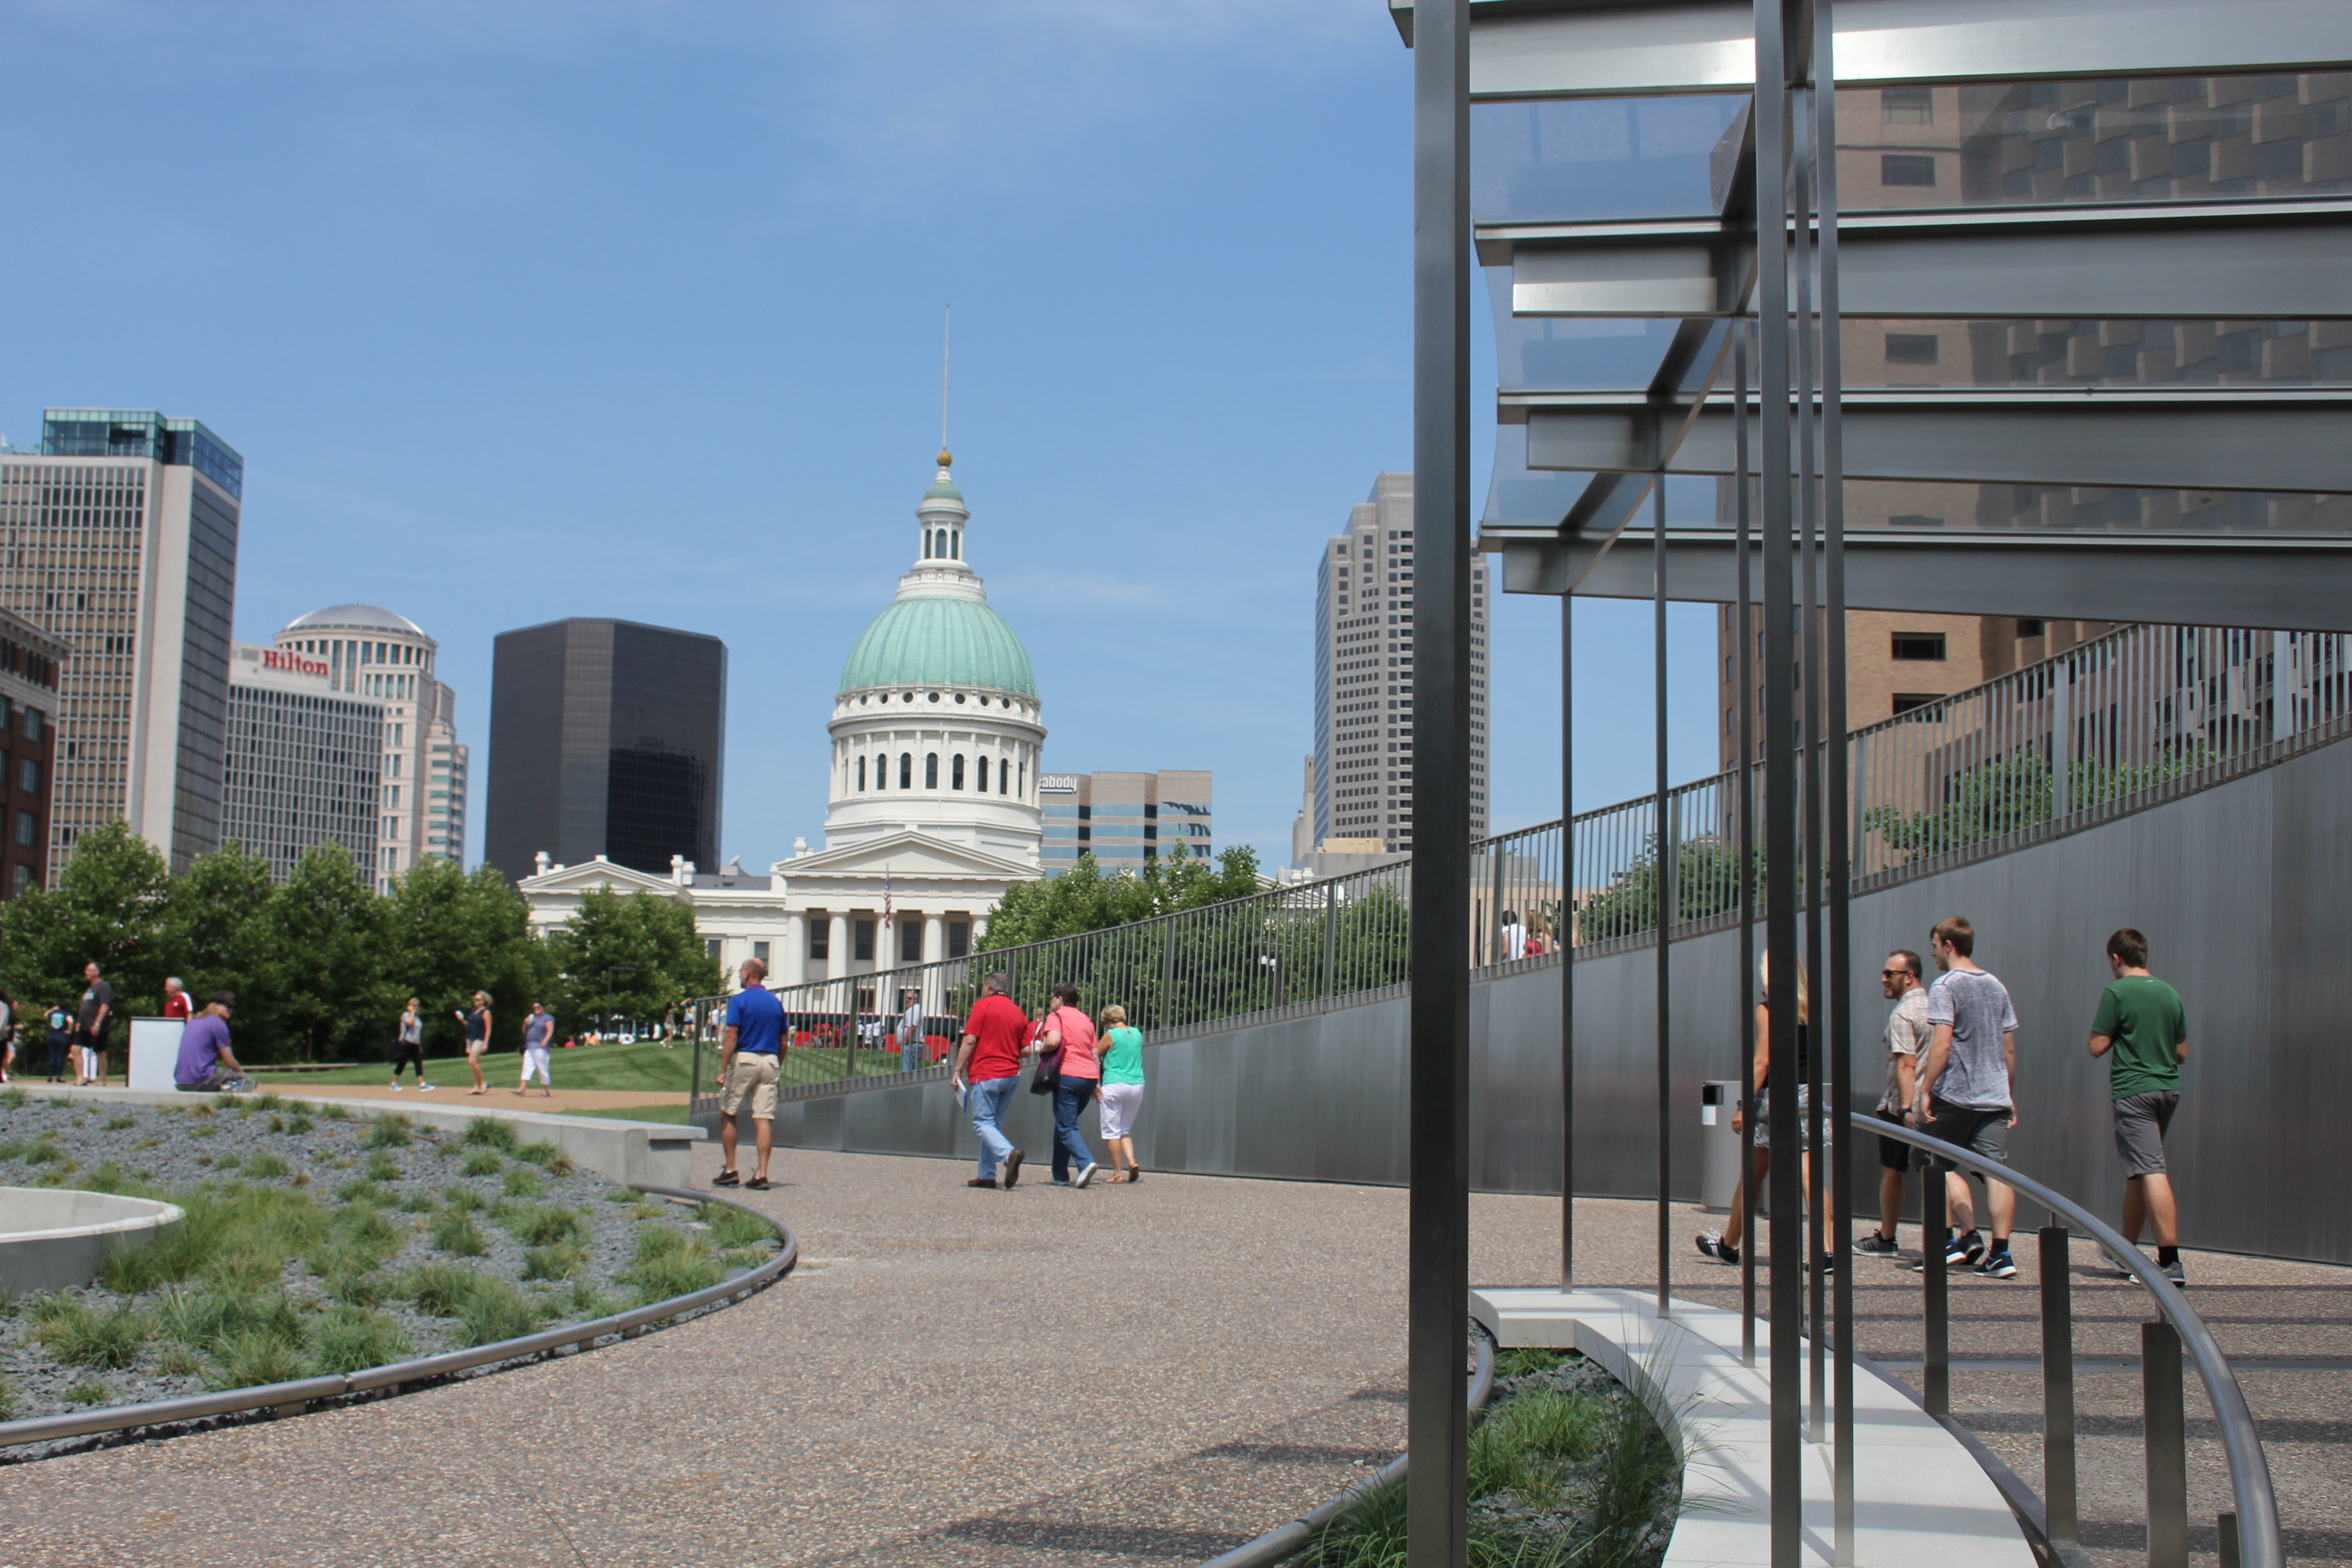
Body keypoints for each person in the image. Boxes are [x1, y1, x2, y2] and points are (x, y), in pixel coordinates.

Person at [1698, 954, 1834, 1271]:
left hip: (1775, 1097)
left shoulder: (1768, 1010)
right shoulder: (1808, 1008)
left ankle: (1729, 1245)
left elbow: (1762, 1061)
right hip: (1807, 1093)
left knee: (1753, 1175)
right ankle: (1826, 1250)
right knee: (1810, 1174)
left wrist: (1743, 1105)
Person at [1916, 916, 2022, 1279]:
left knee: (1929, 1162)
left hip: (1957, 1094)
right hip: (1994, 1096)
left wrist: (1926, 1089)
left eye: (1934, 946)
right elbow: (2009, 1049)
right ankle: (2001, 1254)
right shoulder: (1997, 986)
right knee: (1996, 1172)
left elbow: (1942, 1043)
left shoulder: (1945, 985)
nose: (1932, 954)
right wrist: (2008, 1094)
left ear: (1948, 944)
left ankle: (1945, 1245)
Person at [2087, 927, 2189, 1286]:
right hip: (2167, 1090)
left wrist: (2121, 1030)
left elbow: (2096, 1046)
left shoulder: (2117, 992)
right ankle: (2125, 1249)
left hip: (2134, 1090)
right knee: (2138, 1171)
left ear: (2116, 958)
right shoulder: (2169, 992)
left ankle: (2170, 1260)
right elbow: (2181, 1052)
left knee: (2151, 1169)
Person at [1856, 949, 1932, 1257]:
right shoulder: (1938, 1006)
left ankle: (1886, 1238)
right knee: (1937, 1171)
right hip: (1935, 1101)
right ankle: (1958, 1237)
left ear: (1909, 977)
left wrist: (1901, 1108)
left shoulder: (1903, 1013)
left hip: (1906, 1105)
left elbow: (1905, 1065)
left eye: (1890, 974)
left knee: (1892, 1169)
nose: (1883, 979)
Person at [950, 972, 1027, 1189]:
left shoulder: (983, 1006)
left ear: (988, 987)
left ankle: (1008, 1154)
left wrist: (957, 1070)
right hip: (1010, 1075)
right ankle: (986, 1175)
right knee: (992, 1125)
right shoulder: (1018, 1012)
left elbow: (970, 1039)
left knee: (982, 1123)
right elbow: (1027, 1050)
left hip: (986, 1073)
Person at [712, 958, 785, 1189]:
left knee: (729, 1111)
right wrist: (778, 1064)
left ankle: (731, 1168)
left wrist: (723, 1069)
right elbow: (784, 1042)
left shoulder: (739, 1000)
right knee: (763, 1118)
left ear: (746, 974)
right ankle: (761, 1173)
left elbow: (732, 1034)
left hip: (746, 1058)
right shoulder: (775, 1002)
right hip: (770, 1060)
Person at [1039, 983, 1101, 1187]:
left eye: (1052, 998)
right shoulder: (1086, 1020)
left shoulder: (1056, 1017)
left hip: (1068, 1075)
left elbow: (1054, 1041)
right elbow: (1094, 1052)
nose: (1051, 1002)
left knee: (1067, 1125)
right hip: (1089, 1078)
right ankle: (1059, 1174)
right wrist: (1097, 1083)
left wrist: (1041, 1047)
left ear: (1060, 999)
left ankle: (1086, 1163)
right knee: (1065, 1122)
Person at [1095, 1004, 1146, 1182]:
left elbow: (1095, 1054)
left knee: (1112, 1131)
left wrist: (1096, 1082)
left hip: (1115, 1083)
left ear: (1107, 1020)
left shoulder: (1111, 1035)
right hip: (1137, 1084)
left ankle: (1117, 1173)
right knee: (1125, 1129)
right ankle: (1132, 1162)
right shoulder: (1137, 1034)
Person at [173, 992, 253, 1093]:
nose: (231, 1010)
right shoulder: (218, 1024)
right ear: (215, 1005)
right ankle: (228, 1095)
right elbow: (229, 1061)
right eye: (228, 1006)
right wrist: (242, 1072)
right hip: (200, 1080)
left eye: (233, 1008)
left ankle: (222, 1089)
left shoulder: (194, 1021)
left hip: (181, 1081)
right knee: (244, 1079)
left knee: (220, 1073)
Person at [76, 962, 113, 1086]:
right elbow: (84, 1007)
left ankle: (102, 1079)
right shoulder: (90, 988)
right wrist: (79, 1022)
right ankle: (81, 1077)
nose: (86, 972)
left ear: (96, 972)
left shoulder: (103, 987)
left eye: (89, 970)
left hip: (97, 1025)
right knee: (75, 1049)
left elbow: (105, 1005)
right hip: (84, 1025)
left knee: (100, 1051)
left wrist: (97, 1023)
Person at [389, 997, 433, 1090]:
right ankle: (393, 1083)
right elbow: (409, 1023)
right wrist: (411, 1012)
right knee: (402, 1062)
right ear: (409, 1006)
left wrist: (419, 1044)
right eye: (414, 1006)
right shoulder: (405, 1015)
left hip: (415, 1043)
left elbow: (418, 1032)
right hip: (407, 1042)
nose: (416, 1007)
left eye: (417, 1006)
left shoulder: (417, 1018)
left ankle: (422, 1084)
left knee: (418, 1062)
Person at [455, 991, 492, 1095]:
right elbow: (469, 1025)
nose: (475, 1001)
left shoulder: (485, 1012)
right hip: (470, 1038)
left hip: (479, 1039)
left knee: (472, 1061)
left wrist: (486, 1043)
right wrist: (461, 1020)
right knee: (474, 1063)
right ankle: (476, 1086)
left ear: (483, 1001)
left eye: (478, 999)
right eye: (475, 999)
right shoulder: (473, 1011)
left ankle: (483, 1084)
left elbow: (488, 1029)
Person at [518, 1002, 555, 1097]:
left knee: (542, 1068)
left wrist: (545, 1040)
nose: (536, 1009)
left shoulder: (547, 1018)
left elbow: (550, 1030)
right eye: (534, 1007)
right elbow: (523, 1031)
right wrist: (525, 1023)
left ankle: (546, 1090)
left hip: (540, 1047)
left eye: (538, 1007)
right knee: (527, 1066)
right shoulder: (532, 1018)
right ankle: (522, 1089)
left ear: (543, 1007)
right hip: (530, 1046)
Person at [897, 988, 926, 1073]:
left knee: (907, 1072)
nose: (906, 1000)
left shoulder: (914, 1010)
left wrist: (905, 1043)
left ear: (915, 1000)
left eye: (909, 998)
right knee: (913, 1072)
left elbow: (912, 1027)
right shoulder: (913, 1010)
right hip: (912, 1044)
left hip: (911, 1044)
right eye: (906, 998)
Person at [44, 1002, 72, 1083]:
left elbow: (45, 1014)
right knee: (60, 1056)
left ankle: (50, 1075)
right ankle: (59, 1075)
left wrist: (53, 1008)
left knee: (52, 1056)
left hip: (51, 1036)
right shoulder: (66, 1014)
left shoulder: (52, 1013)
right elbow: (71, 1021)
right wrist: (69, 1031)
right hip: (62, 1036)